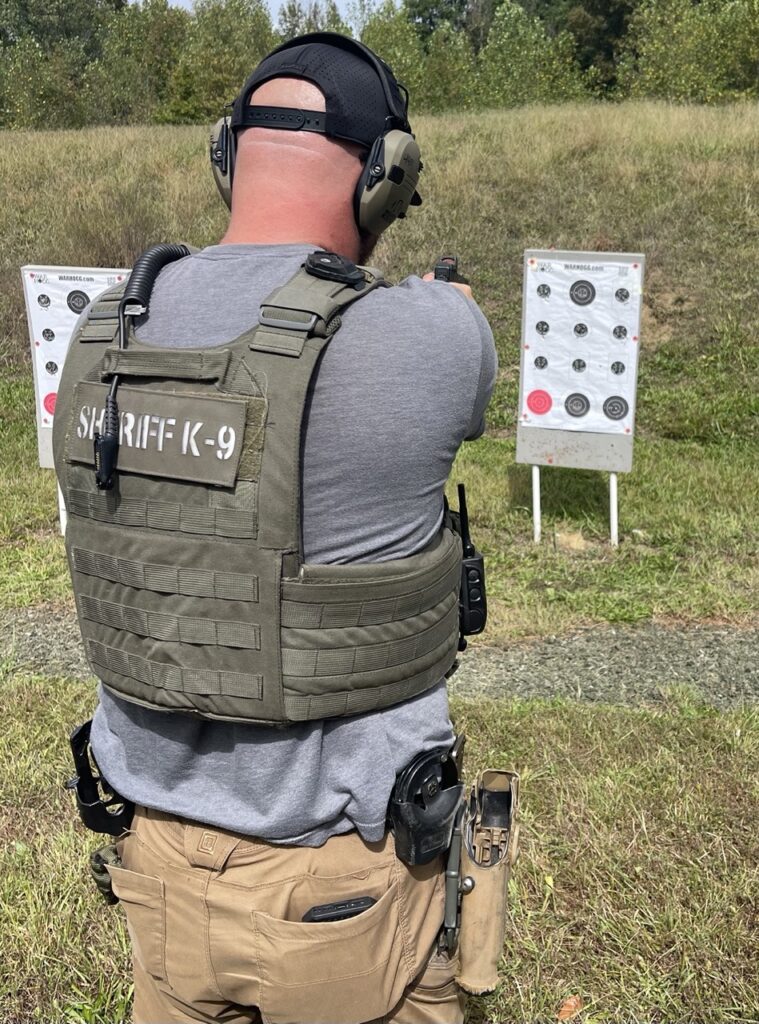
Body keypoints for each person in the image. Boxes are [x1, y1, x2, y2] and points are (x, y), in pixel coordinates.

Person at [55, 32, 496, 1024]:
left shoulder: (103, 331)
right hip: (350, 881)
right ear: (387, 179)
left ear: (227, 157)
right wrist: (445, 304)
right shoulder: (429, 334)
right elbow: (459, 384)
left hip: (156, 862)